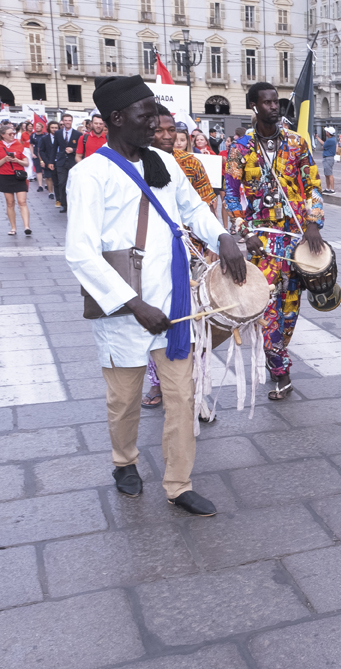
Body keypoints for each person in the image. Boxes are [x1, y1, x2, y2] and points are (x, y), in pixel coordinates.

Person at [66, 75, 248, 516]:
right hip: (125, 306)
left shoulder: (163, 163)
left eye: (157, 115)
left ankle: (179, 483)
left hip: (174, 302)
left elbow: (192, 209)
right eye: (146, 115)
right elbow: (80, 253)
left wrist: (222, 236)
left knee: (182, 397)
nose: (156, 123)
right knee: (124, 400)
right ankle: (124, 462)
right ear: (116, 118)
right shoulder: (89, 174)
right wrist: (134, 304)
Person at [224, 81, 326, 401]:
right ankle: (282, 372)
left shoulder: (296, 143)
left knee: (290, 309)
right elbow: (230, 194)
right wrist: (245, 232)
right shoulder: (239, 148)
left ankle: (276, 354)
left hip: (295, 239)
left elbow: (312, 186)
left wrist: (313, 223)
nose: (274, 107)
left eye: (276, 102)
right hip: (262, 242)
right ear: (253, 106)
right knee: (266, 308)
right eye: (266, 102)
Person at [142, 107, 224, 412]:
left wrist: (216, 242)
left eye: (172, 130)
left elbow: (203, 206)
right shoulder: (135, 163)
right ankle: (158, 382)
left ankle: (196, 388)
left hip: (190, 252)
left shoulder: (190, 164)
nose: (168, 136)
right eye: (159, 130)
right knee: (155, 322)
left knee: (194, 322)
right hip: (150, 257)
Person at [0, 124, 32, 236]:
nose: (13, 135)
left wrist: (17, 161)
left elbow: (26, 162)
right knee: (10, 203)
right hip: (5, 176)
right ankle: (13, 227)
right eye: (10, 134)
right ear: (2, 135)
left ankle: (27, 226)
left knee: (22, 201)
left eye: (13, 133)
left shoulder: (19, 144)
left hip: (19, 176)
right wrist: (4, 159)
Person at [49, 114, 81, 213]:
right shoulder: (58, 133)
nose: (67, 122)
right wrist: (51, 161)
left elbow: (80, 149)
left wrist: (73, 150)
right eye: (66, 120)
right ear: (62, 121)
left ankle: (74, 203)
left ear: (72, 121)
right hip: (61, 162)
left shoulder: (77, 134)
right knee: (62, 183)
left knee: (73, 184)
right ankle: (64, 204)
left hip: (73, 162)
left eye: (69, 120)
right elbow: (54, 148)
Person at [38, 121, 58, 201]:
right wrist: (45, 161)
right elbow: (41, 150)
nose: (54, 129)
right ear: (49, 128)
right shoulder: (44, 138)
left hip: (59, 161)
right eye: (52, 127)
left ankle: (59, 194)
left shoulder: (61, 137)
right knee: (49, 177)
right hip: (48, 160)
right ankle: (51, 193)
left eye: (56, 128)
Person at [321, 127, 337, 193]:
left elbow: (323, 147)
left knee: (329, 174)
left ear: (329, 133)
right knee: (327, 174)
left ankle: (332, 189)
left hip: (328, 158)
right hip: (328, 158)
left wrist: (318, 138)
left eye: (327, 131)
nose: (326, 132)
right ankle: (328, 188)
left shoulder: (330, 140)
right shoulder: (332, 140)